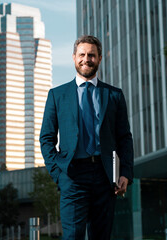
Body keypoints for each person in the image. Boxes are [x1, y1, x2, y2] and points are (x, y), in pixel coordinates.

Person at [39, 35, 133, 240]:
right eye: (82, 55)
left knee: (101, 236)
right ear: (74, 58)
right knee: (73, 236)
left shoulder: (114, 95)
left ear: (99, 59)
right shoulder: (57, 95)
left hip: (105, 175)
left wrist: (125, 172)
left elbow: (124, 137)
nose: (86, 59)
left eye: (92, 55)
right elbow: (46, 138)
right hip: (72, 175)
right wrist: (58, 173)